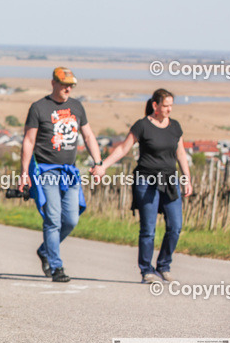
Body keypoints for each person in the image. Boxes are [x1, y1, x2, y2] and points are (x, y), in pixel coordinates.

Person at [90, 89, 193, 283]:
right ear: (155, 105)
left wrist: (187, 178)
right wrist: (102, 166)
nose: (169, 109)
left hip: (170, 181)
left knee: (176, 226)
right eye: (165, 105)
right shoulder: (142, 126)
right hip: (146, 181)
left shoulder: (175, 127)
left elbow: (181, 154)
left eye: (171, 105)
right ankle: (147, 270)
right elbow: (123, 148)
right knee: (148, 229)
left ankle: (163, 265)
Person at [17, 67, 102, 283]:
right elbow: (28, 141)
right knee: (53, 219)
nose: (68, 88)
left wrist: (98, 162)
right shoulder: (39, 108)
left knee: (71, 220)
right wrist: (24, 173)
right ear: (53, 83)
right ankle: (56, 267)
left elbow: (89, 135)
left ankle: (45, 250)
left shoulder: (77, 106)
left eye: (71, 85)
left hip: (69, 172)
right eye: (64, 84)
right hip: (46, 171)